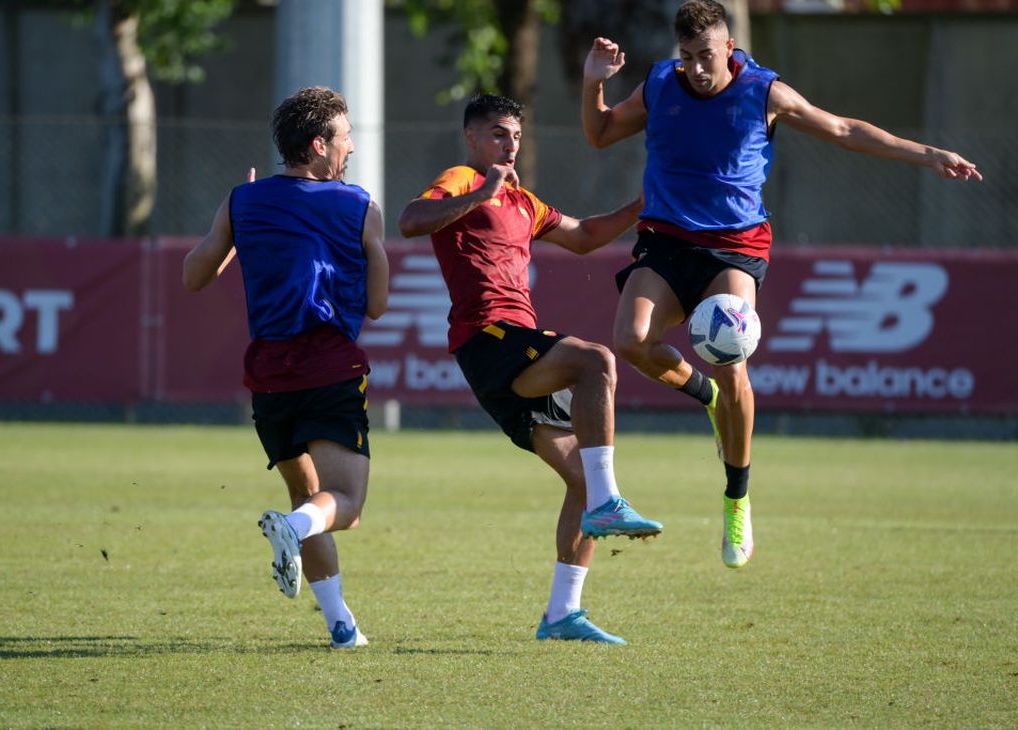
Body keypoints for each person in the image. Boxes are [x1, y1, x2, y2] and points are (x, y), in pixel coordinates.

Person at [580, 0, 982, 569]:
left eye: (707, 56)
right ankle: (708, 398)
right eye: (688, 56)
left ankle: (737, 498)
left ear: (729, 49)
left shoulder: (763, 92)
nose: (697, 68)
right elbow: (598, 134)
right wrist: (593, 84)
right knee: (630, 340)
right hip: (666, 237)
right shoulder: (659, 85)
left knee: (729, 353)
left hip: (735, 245)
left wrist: (928, 154)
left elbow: (843, 129)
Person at [398, 93, 663, 645]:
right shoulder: (460, 179)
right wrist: (481, 192)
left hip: (513, 349)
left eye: (515, 135)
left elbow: (586, 236)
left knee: (582, 479)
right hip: (488, 340)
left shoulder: (523, 201)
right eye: (497, 134)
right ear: (472, 138)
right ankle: (610, 503)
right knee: (597, 361)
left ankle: (563, 613)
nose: (509, 144)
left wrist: (645, 203)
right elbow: (409, 220)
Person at [182, 86, 389, 649]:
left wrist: (237, 227)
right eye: (346, 138)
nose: (352, 148)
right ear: (320, 145)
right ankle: (292, 531)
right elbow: (376, 304)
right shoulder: (358, 204)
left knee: (311, 497)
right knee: (343, 506)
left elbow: (193, 275)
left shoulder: (241, 200)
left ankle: (342, 626)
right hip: (328, 365)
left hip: (268, 375)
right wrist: (377, 247)